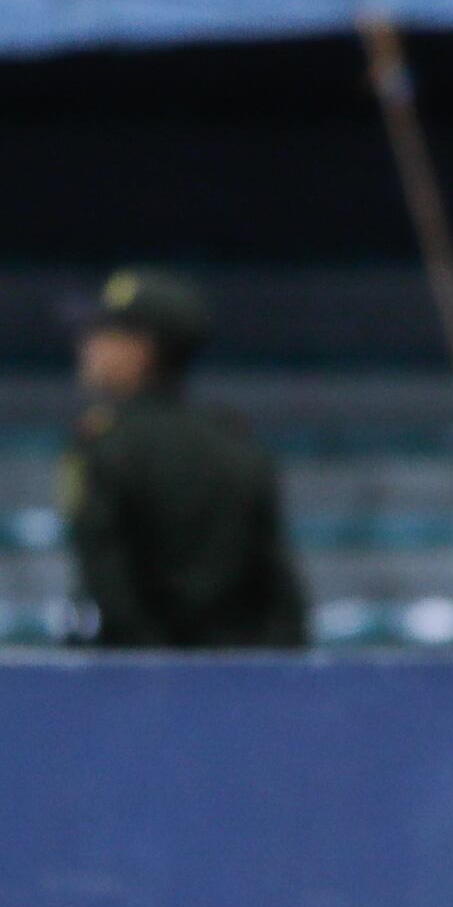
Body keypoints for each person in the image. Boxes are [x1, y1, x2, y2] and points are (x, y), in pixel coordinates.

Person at [62, 269, 307, 649]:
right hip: (238, 675)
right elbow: (278, 586)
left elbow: (108, 584)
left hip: (138, 681)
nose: (87, 346)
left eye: (104, 334)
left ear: (141, 349)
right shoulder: (236, 440)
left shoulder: (105, 445)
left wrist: (157, 672)